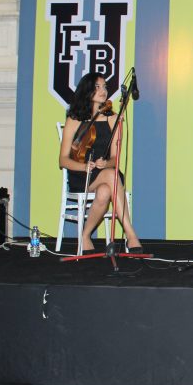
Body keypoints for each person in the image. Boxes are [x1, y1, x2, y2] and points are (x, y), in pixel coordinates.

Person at [58, 72, 143, 254]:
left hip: (105, 173)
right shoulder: (74, 120)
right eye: (97, 87)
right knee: (111, 177)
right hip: (82, 175)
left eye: (104, 87)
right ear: (87, 91)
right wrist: (84, 166)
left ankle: (85, 235)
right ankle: (131, 235)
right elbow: (63, 159)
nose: (103, 91)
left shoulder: (114, 119)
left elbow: (115, 158)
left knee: (105, 191)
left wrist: (106, 164)